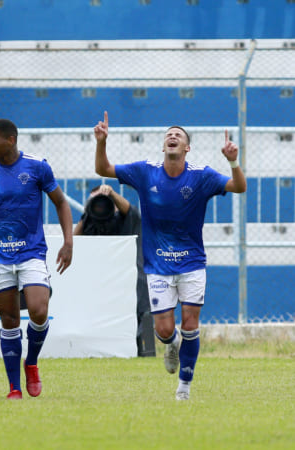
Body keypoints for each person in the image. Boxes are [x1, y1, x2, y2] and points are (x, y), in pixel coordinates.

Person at [93, 111, 246, 400]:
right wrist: (101, 141)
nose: (172, 136)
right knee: (164, 330)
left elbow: (239, 186)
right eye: (168, 135)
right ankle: (171, 344)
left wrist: (233, 162)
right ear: (163, 147)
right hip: (158, 264)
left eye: (178, 135)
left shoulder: (201, 175)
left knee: (190, 324)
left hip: (191, 262)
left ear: (187, 148)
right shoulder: (144, 171)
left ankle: (184, 387)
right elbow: (104, 169)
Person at [0, 119, 74, 400]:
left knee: (39, 311)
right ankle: (14, 387)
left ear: (11, 140)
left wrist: (68, 241)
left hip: (31, 252)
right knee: (10, 320)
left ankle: (32, 362)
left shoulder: (37, 166)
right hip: (0, 256)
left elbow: (61, 203)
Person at [73, 184, 156, 357]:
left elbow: (130, 211)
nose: (100, 205)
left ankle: (147, 353)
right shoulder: (90, 225)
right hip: (103, 286)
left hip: (134, 281)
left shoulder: (126, 221)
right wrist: (87, 213)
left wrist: (111, 193)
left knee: (143, 313)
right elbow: (73, 241)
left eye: (105, 202)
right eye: (95, 202)